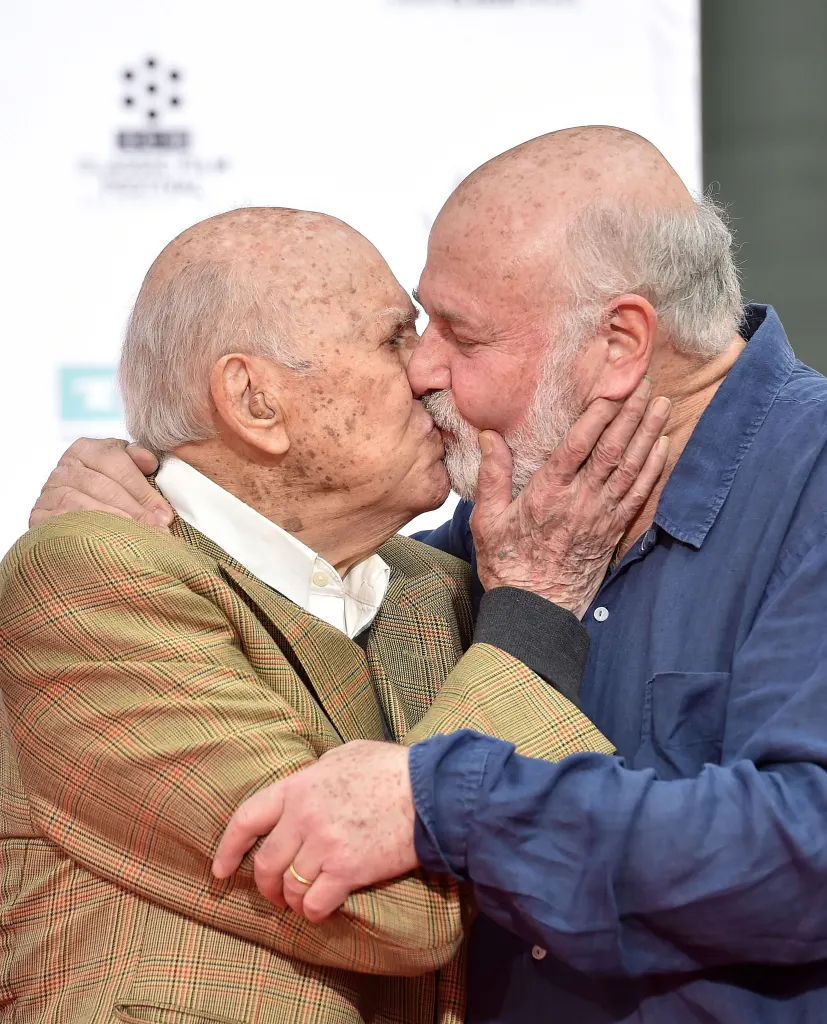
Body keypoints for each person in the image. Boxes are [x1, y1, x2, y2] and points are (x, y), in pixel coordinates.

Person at [42, 125, 827, 1022]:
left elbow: (808, 849)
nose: (423, 368)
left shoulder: (806, 480)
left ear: (618, 341)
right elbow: (285, 570)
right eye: (416, 328)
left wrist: (443, 800)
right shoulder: (501, 532)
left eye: (460, 334)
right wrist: (135, 488)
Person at [1, 206, 668, 1024]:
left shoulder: (439, 585)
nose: (429, 370)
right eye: (394, 338)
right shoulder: (91, 578)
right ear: (255, 401)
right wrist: (531, 612)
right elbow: (388, 907)